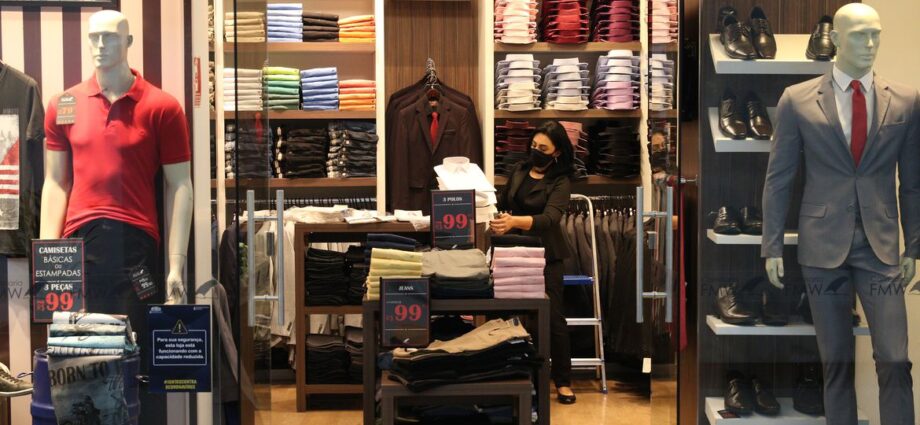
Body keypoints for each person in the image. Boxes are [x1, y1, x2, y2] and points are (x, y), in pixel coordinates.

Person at [491, 121, 576, 404]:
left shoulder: (561, 181)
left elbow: (550, 219)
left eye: (543, 148)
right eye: (534, 145)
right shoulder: (519, 170)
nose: (536, 151)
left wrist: (514, 221)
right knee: (507, 312)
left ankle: (562, 381)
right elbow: (503, 200)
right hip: (513, 251)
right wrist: (490, 208)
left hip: (546, 254)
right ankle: (513, 373)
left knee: (552, 317)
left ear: (557, 152)